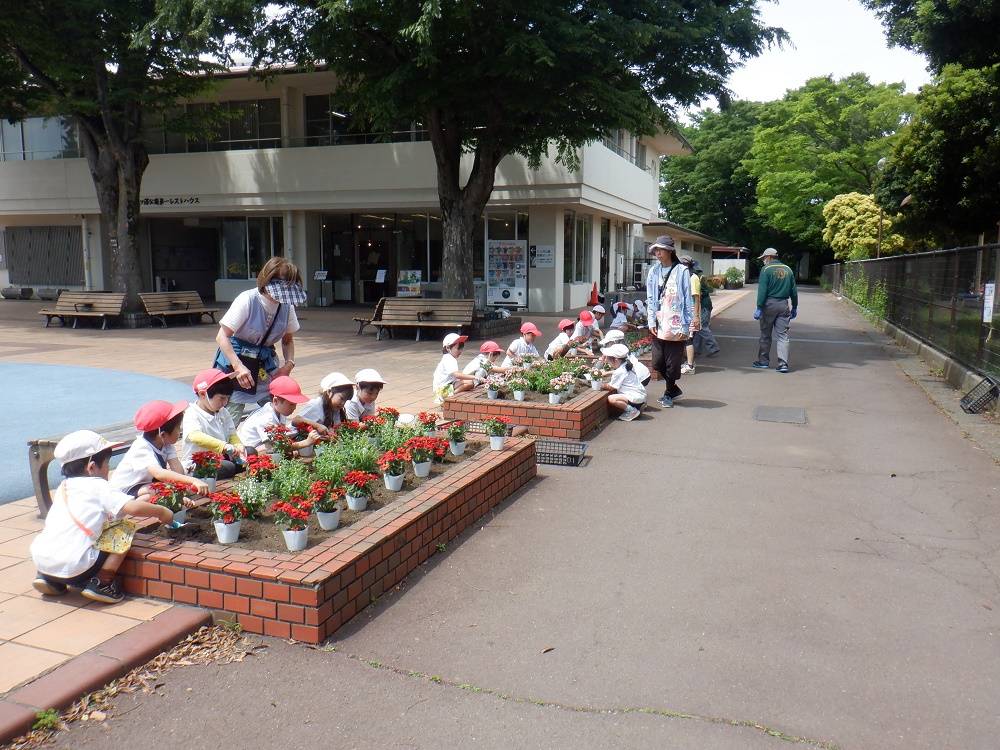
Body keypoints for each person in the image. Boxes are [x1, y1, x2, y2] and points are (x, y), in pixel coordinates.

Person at [31, 431, 174, 603]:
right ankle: (102, 582)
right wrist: (162, 512)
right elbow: (133, 508)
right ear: (91, 467)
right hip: (78, 566)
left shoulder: (64, 487)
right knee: (123, 529)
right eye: (107, 464)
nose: (108, 470)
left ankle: (49, 579)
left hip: (43, 560)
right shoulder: (98, 485)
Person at [213, 257, 307, 421]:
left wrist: (289, 364)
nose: (282, 297)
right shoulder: (247, 299)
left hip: (265, 366)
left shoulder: (286, 304)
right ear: (267, 282)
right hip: (240, 363)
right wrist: (238, 366)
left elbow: (287, 340)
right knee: (231, 415)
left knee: (274, 412)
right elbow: (222, 336)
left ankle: (275, 440)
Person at [110, 401, 210, 498]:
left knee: (168, 489)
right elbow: (159, 473)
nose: (180, 431)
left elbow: (177, 469)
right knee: (158, 490)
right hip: (124, 491)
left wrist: (183, 488)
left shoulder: (166, 443)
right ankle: (133, 508)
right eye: (178, 428)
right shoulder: (142, 448)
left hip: (143, 485)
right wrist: (193, 481)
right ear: (163, 435)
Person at [645, 235, 692, 408]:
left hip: (676, 323)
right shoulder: (653, 271)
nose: (657, 253)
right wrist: (650, 321)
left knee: (672, 365)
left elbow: (688, 299)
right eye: (655, 249)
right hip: (659, 323)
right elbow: (650, 298)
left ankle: (668, 393)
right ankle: (674, 389)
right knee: (657, 362)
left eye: (660, 249)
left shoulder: (682, 271)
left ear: (669, 251)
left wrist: (687, 326)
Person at [181, 368, 249, 479]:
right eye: (221, 398)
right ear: (203, 394)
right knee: (228, 467)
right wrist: (224, 446)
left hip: (219, 458)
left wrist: (238, 446)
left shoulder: (223, 412)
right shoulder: (192, 413)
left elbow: (232, 434)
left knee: (249, 452)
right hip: (198, 463)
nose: (225, 402)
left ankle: (234, 472)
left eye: (227, 398)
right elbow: (195, 436)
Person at [238, 375, 321, 452]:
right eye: (291, 404)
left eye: (295, 404)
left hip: (263, 444)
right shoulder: (267, 419)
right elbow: (276, 447)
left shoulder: (279, 411)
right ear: (275, 401)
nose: (294, 407)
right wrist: (306, 442)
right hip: (248, 452)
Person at [752, 247, 798, 373]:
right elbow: (793, 291)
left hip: (768, 305)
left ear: (769, 257)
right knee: (783, 335)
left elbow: (762, 291)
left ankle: (763, 361)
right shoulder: (788, 269)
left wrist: (759, 307)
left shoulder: (766, 270)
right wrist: (795, 306)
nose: (763, 260)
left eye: (764, 258)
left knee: (765, 335)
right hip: (784, 304)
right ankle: (783, 364)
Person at [600, 343, 646, 422]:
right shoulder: (626, 364)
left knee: (611, 399)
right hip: (639, 394)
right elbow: (620, 372)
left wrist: (600, 385)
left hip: (634, 397)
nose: (607, 361)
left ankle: (632, 411)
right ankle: (638, 406)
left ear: (616, 360)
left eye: (608, 360)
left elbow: (612, 387)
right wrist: (607, 373)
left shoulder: (619, 372)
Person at [678, 255, 705, 375]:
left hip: (691, 312)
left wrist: (696, 317)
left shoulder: (693, 278)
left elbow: (696, 298)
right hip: (683, 312)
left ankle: (690, 365)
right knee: (684, 338)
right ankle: (689, 362)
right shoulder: (682, 277)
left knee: (689, 338)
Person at [432, 333, 478, 404]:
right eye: (458, 348)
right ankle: (448, 398)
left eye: (461, 348)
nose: (460, 351)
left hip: (444, 387)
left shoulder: (449, 358)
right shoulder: (449, 359)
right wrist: (475, 377)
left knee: (469, 383)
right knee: (469, 383)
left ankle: (448, 396)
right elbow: (457, 375)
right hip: (441, 390)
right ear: (448, 348)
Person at [690, 260, 720, 359]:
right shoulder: (700, 277)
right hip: (705, 306)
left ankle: (713, 347)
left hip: (703, 307)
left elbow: (698, 296)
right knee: (697, 329)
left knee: (702, 327)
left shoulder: (695, 278)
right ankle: (696, 350)